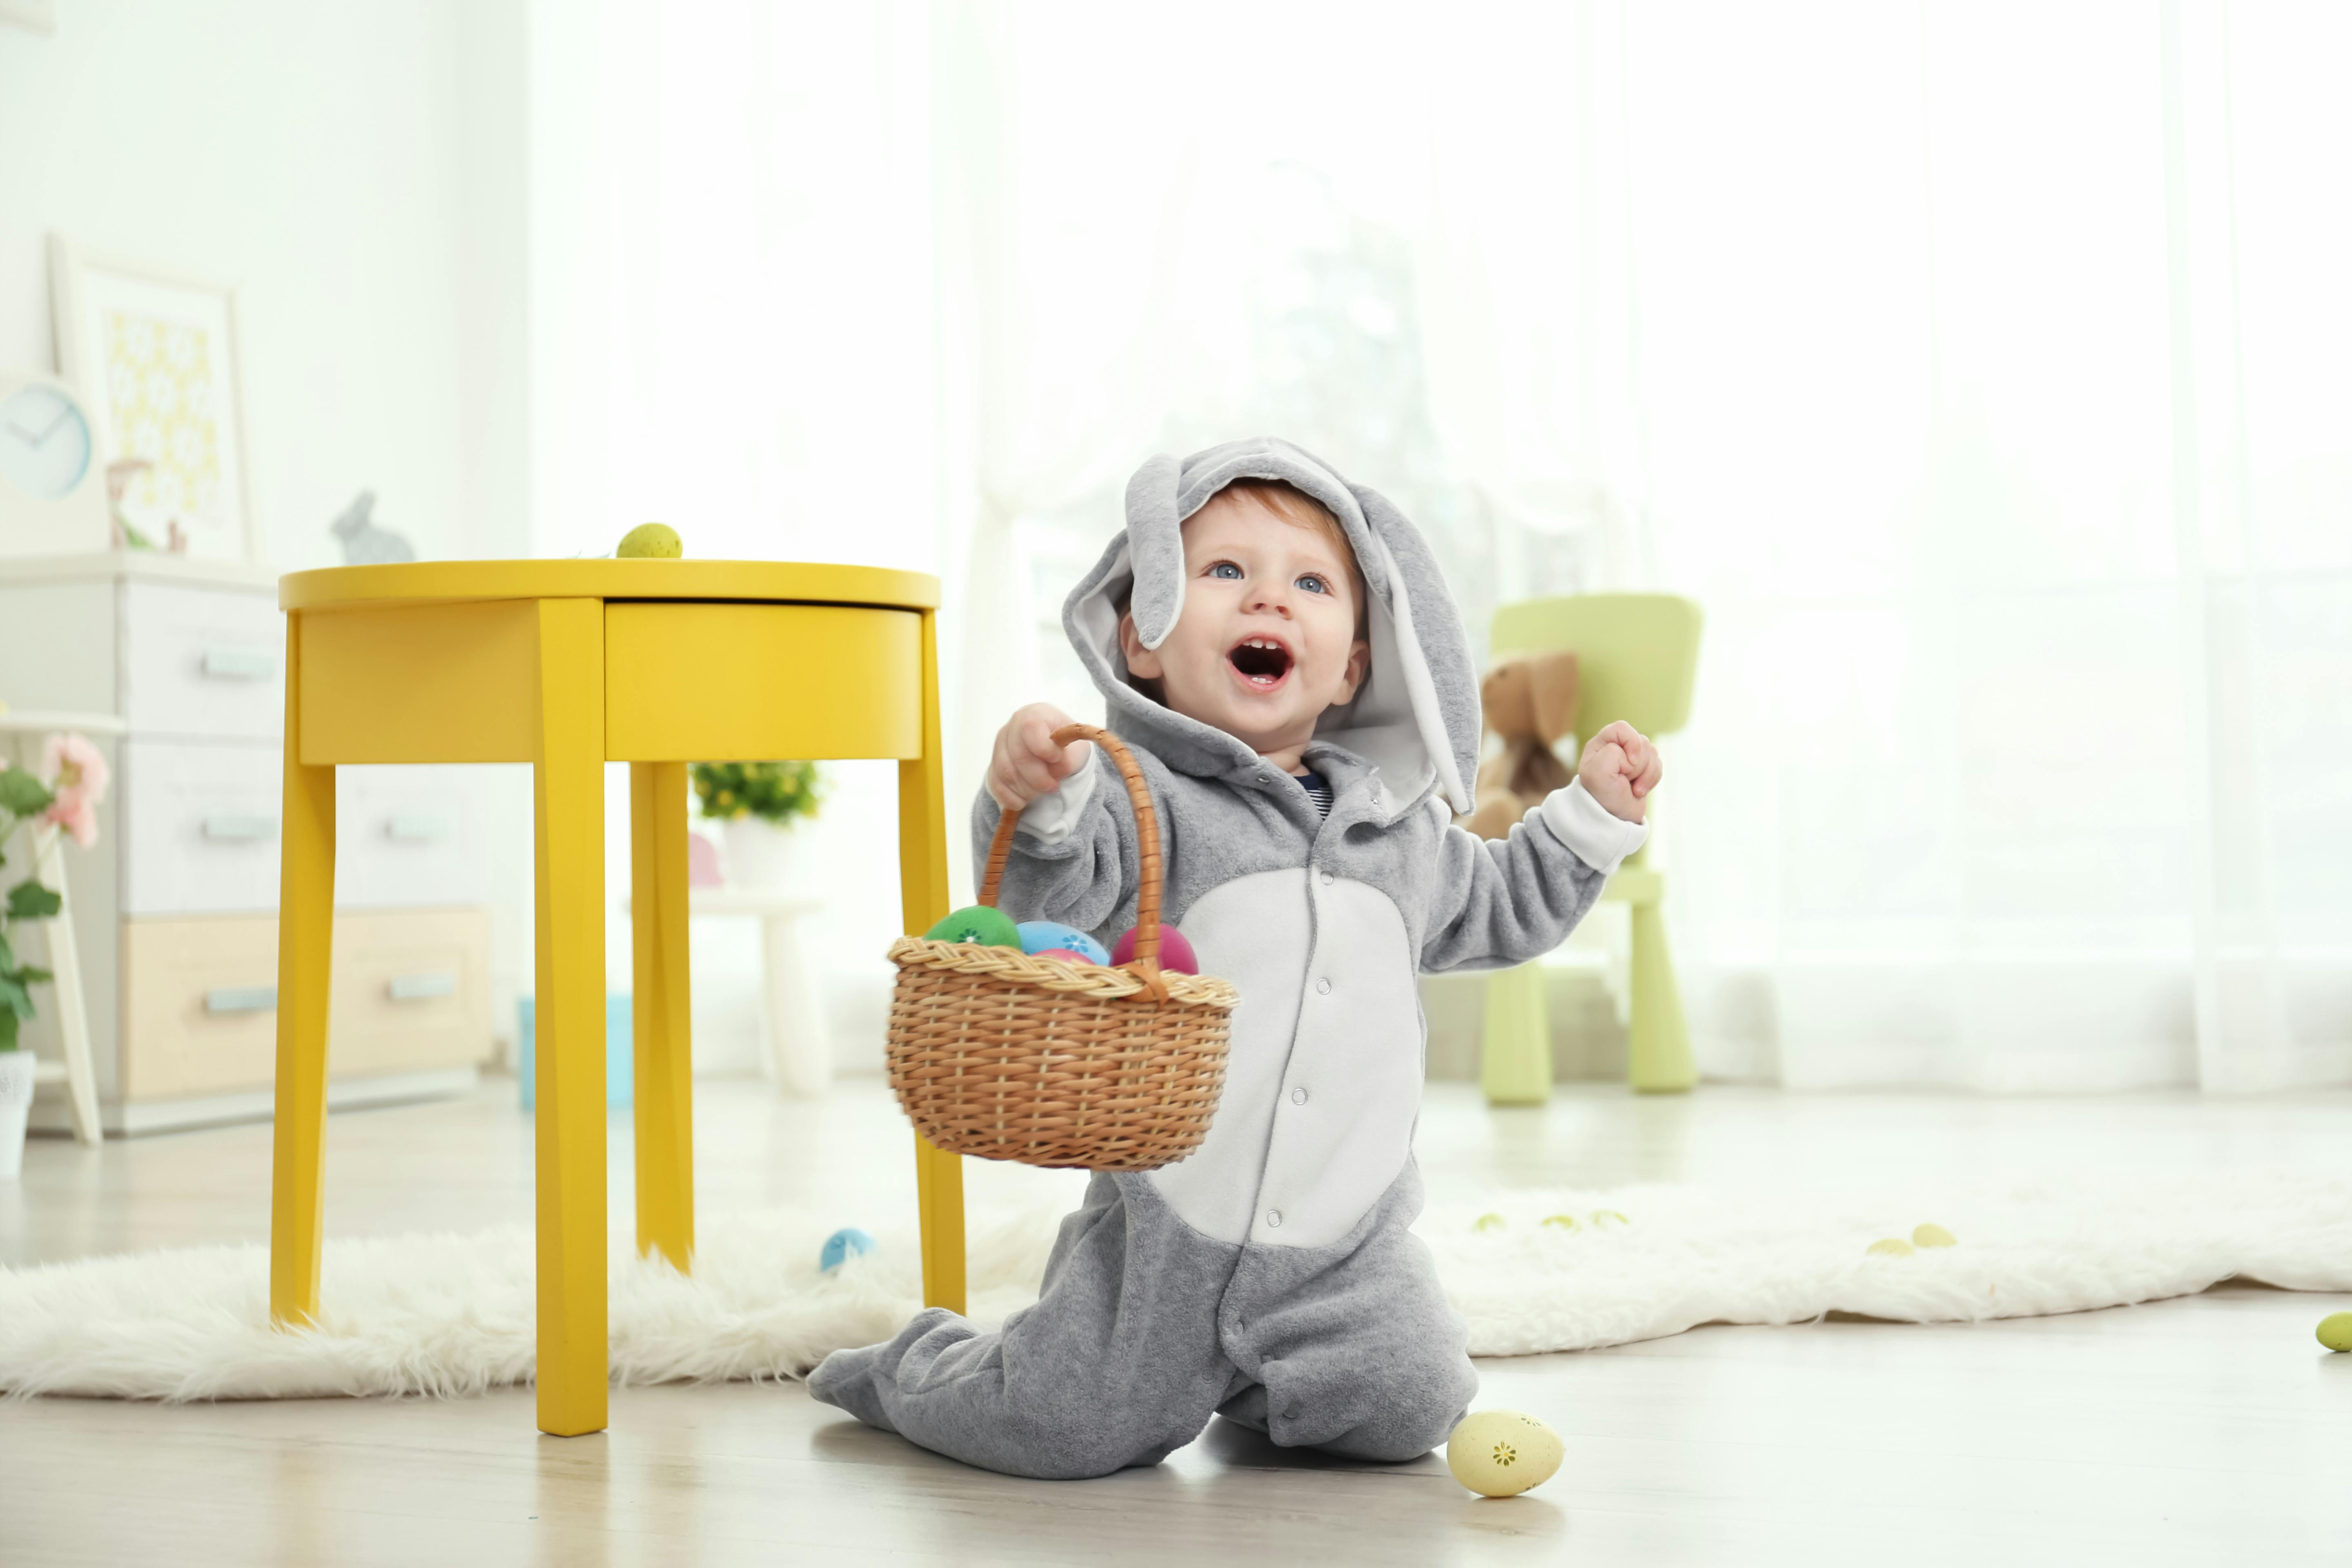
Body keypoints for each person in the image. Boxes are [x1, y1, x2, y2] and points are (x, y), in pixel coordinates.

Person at [810, 437, 1661, 1479]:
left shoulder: (1397, 832)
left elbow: (1500, 907)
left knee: (1415, 1404)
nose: (1268, 602)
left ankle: (1264, 1381)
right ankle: (913, 1366)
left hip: (1346, 1255)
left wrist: (1585, 824)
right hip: (1165, 1252)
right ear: (1144, 637)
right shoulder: (1139, 800)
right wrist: (1043, 800)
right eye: (1224, 573)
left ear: (1353, 663)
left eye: (1310, 583)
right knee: (1065, 1429)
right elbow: (1052, 907)